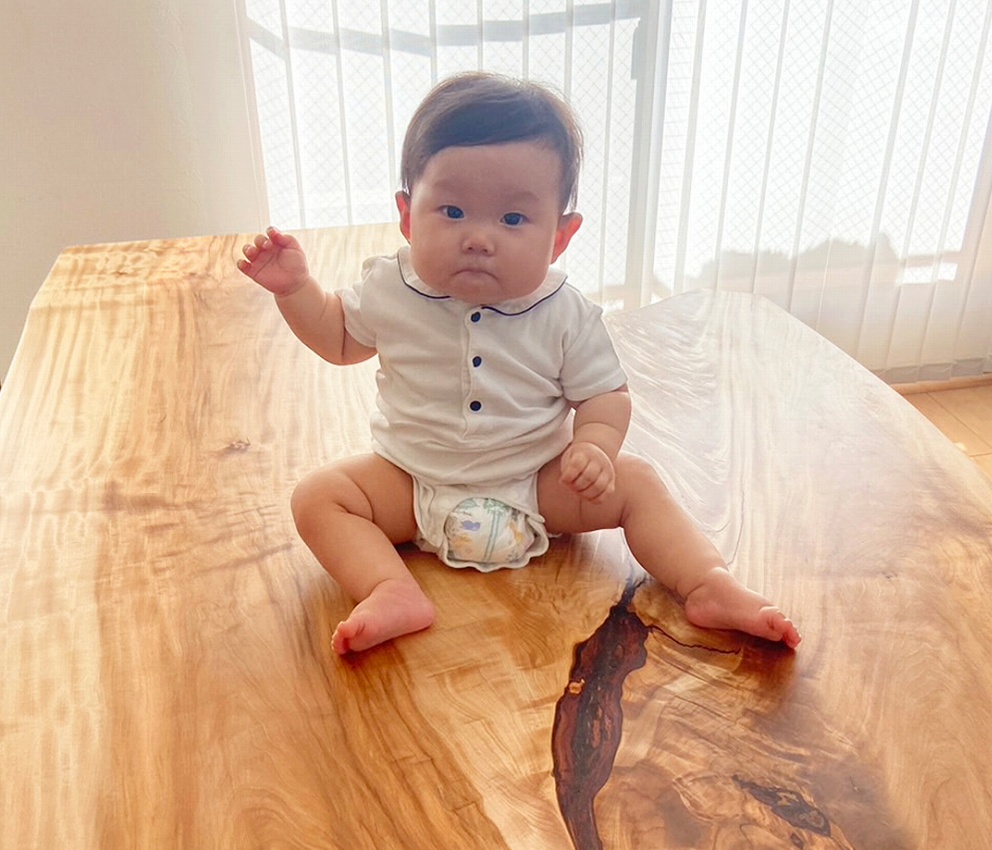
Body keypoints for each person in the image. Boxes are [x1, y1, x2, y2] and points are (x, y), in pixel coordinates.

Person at [238, 72, 801, 655]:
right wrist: (296, 290)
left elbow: (605, 395)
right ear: (407, 216)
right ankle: (389, 588)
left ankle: (708, 583)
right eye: (452, 210)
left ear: (560, 236)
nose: (479, 238)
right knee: (319, 497)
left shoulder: (564, 313)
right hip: (411, 482)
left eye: (512, 220)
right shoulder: (390, 288)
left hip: (539, 484)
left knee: (637, 481)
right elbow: (338, 339)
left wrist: (595, 446)